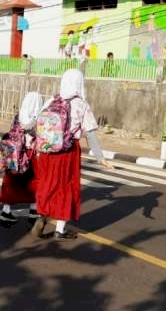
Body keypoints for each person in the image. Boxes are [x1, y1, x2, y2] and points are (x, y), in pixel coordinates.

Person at [32, 69, 113, 241]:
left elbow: (38, 126)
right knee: (66, 188)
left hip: (47, 151)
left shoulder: (51, 100)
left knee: (47, 185)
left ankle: (42, 216)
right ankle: (59, 230)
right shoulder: (81, 105)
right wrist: (101, 158)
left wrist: (37, 148)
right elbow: (90, 134)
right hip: (68, 152)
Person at [0, 92, 42, 226]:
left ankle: (6, 211)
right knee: (35, 181)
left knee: (11, 181)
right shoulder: (38, 119)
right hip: (30, 153)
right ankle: (33, 212)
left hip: (14, 154)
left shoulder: (18, 116)